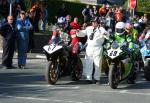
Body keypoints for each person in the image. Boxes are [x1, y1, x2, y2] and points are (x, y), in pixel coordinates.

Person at [76, 17, 109, 84]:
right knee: (88, 63)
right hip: (89, 47)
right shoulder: (88, 28)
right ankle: (88, 78)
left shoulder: (101, 29)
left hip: (98, 48)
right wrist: (78, 32)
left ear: (98, 22)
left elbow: (106, 35)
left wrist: (105, 34)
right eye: (92, 22)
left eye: (95, 22)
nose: (93, 23)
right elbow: (82, 33)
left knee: (98, 63)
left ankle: (97, 78)